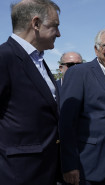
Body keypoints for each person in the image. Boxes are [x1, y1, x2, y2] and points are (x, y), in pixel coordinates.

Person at [0, 0, 61, 184]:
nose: (59, 33)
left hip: (45, 170)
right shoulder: (4, 57)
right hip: (18, 173)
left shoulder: (38, 61)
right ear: (35, 24)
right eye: (54, 26)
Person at [59, 28, 105, 185]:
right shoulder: (79, 73)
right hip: (87, 166)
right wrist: (69, 164)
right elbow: (66, 123)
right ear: (96, 49)